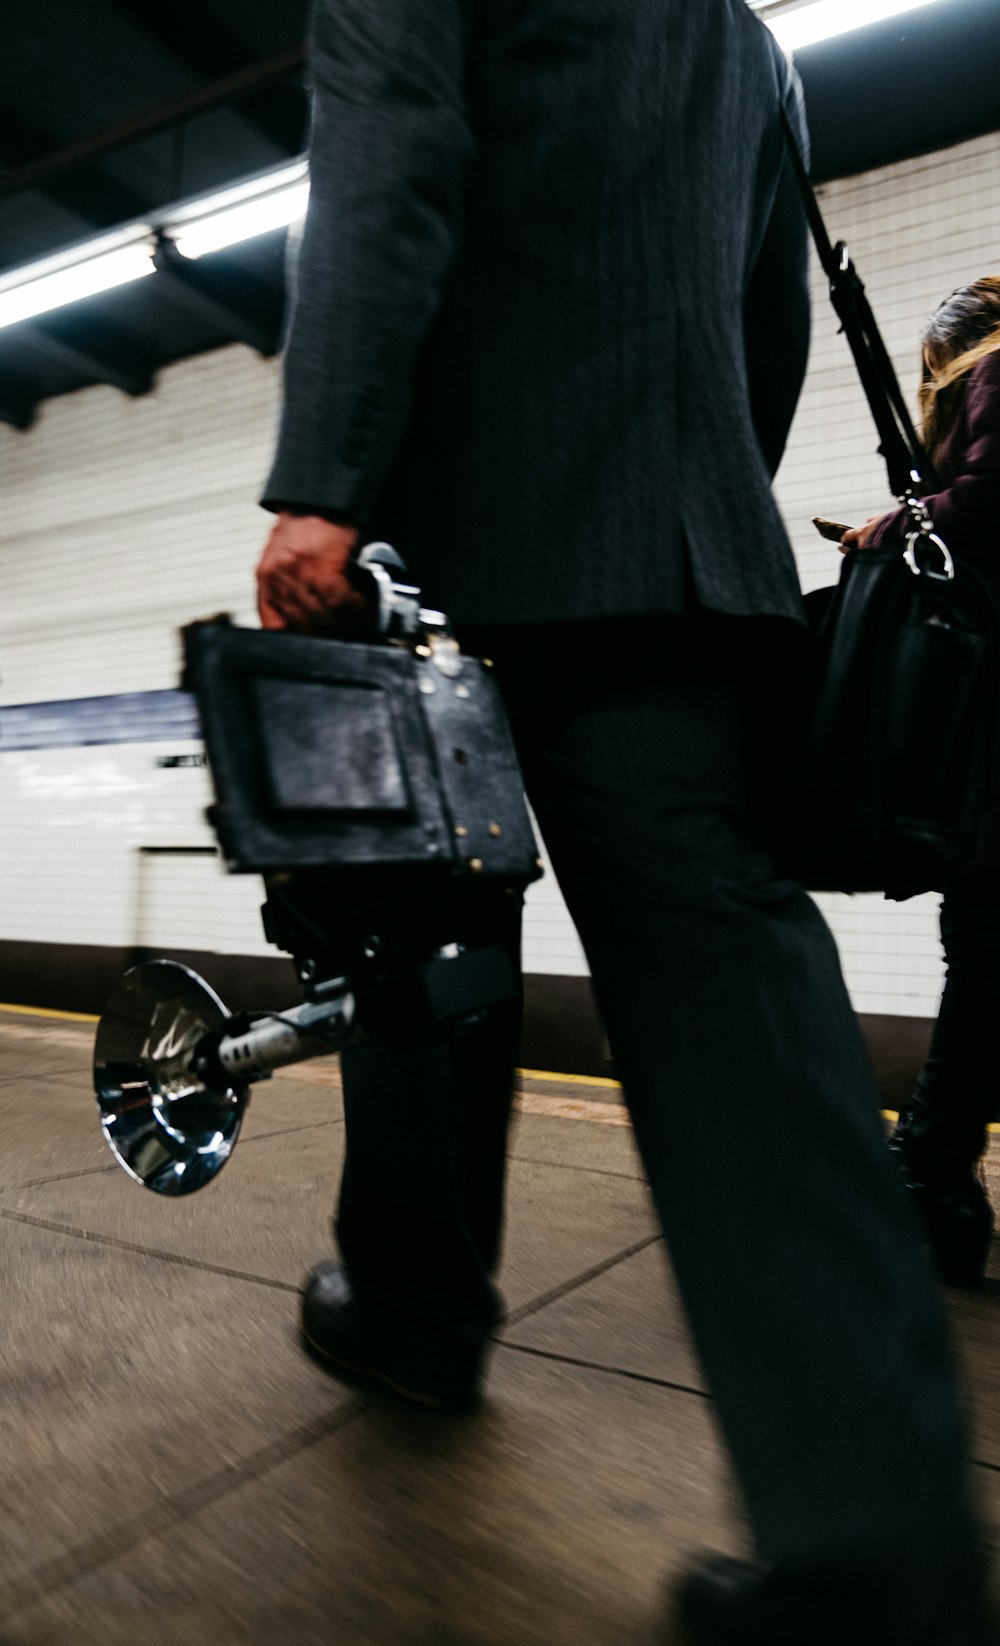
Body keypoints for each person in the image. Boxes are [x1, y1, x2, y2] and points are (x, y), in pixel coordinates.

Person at [256, 4, 993, 1641]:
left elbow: (384, 173)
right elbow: (763, 321)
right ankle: (877, 1539)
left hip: (460, 539)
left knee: (418, 939)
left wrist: (325, 479)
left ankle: (417, 1312)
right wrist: (692, 504)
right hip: (670, 551)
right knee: (743, 1023)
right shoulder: (740, 39)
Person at [843, 277, 1000, 1289]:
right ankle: (934, 1174)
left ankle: (932, 1174)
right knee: (983, 952)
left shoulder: (998, 370)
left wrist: (900, 522)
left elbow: (990, 497)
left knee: (982, 953)